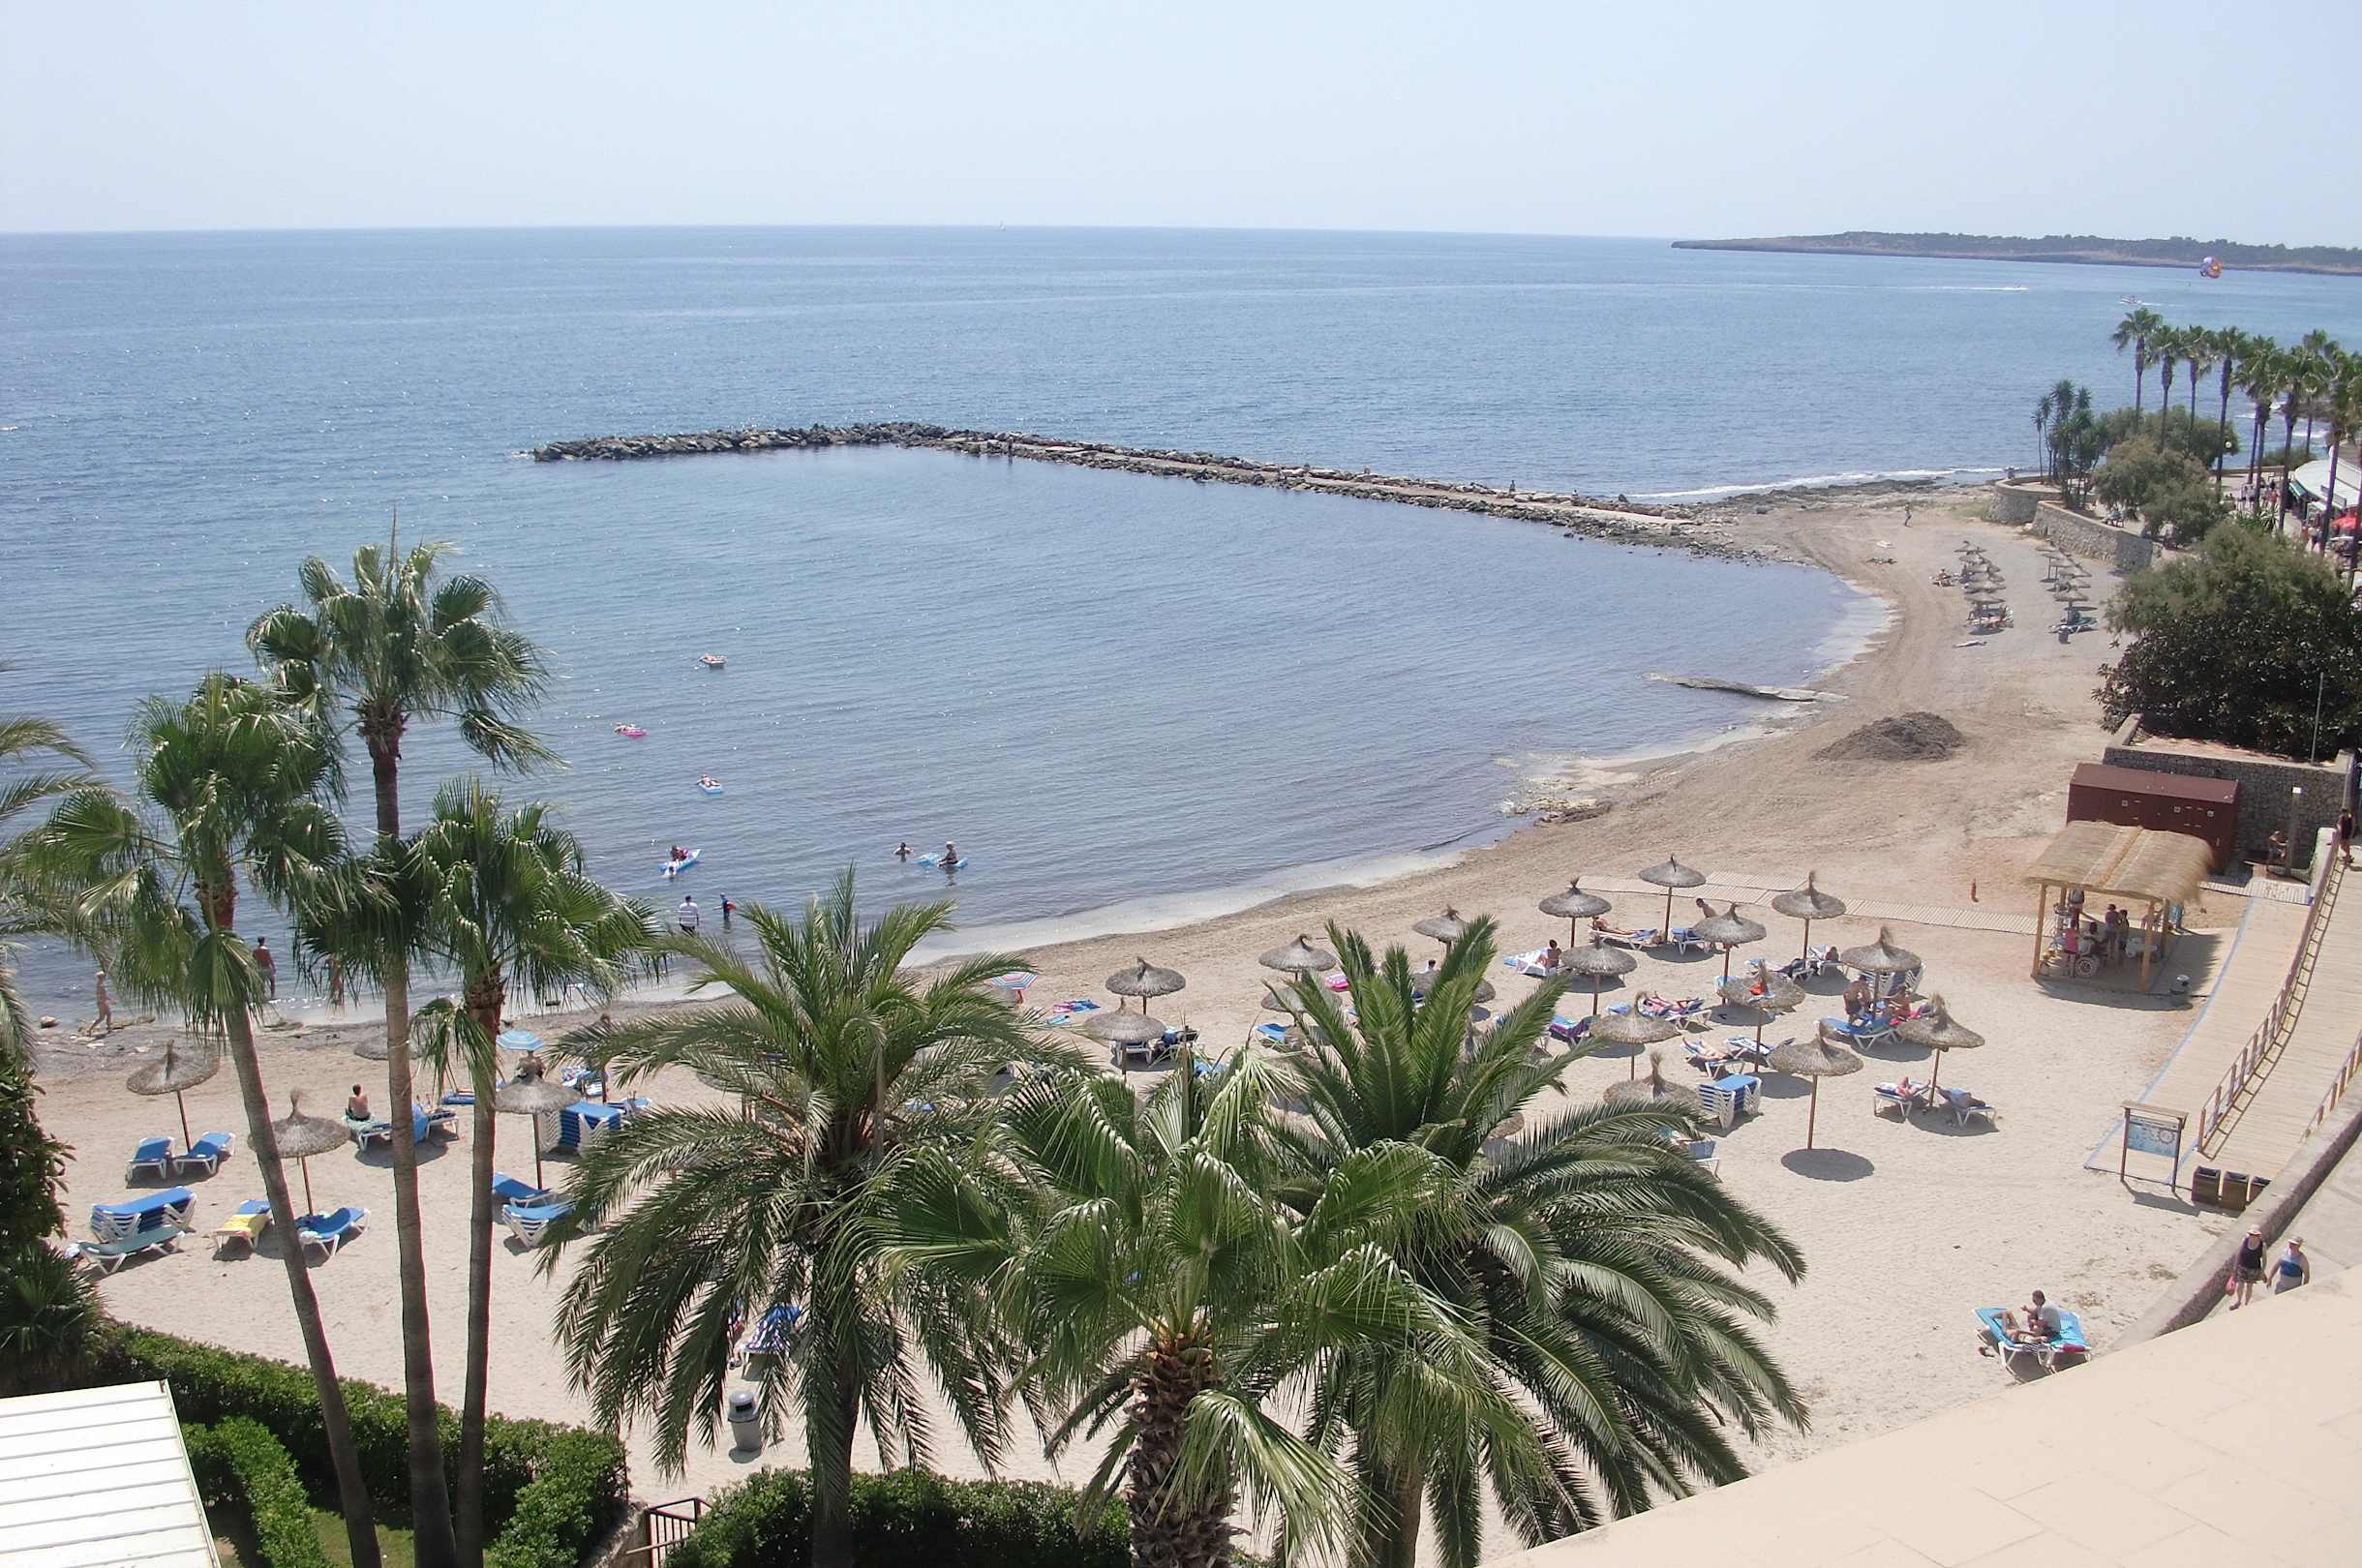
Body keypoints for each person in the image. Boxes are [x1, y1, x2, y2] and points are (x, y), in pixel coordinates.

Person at [2228, 1226, 2267, 1309]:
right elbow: (2239, 1254)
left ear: (2259, 1236)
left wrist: (2262, 1271)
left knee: (2249, 1287)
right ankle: (2238, 1301)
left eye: (2255, 1235)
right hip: (2242, 1266)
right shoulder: (2244, 1241)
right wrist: (2235, 1267)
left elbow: (2264, 1259)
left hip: (2254, 1269)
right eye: (2251, 1234)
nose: (2252, 1236)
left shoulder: (2262, 1245)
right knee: (2240, 1285)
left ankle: (2246, 1304)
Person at [91, 970, 113, 1037]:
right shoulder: (100, 985)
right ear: (101, 977)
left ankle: (109, 1028)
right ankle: (90, 1029)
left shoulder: (100, 984)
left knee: (109, 1014)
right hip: (101, 1003)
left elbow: (102, 995)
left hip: (103, 1002)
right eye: (104, 976)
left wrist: (108, 1000)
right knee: (101, 1018)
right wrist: (110, 1000)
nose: (104, 977)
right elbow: (102, 995)